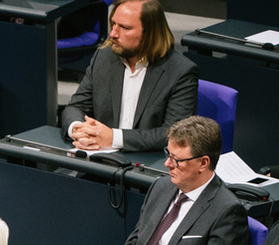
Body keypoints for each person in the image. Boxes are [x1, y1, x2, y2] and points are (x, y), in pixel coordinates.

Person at [93, 116, 247, 245]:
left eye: (177, 160)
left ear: (203, 163)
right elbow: (134, 242)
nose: (167, 164)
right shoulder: (161, 187)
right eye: (168, 154)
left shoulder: (227, 211)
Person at [60, 0, 198, 152]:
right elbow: (75, 107)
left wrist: (114, 138)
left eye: (125, 28)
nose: (113, 33)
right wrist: (78, 129)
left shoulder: (180, 71)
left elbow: (173, 134)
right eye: (113, 24)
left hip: (146, 163)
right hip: (98, 158)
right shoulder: (104, 57)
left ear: (149, 34)